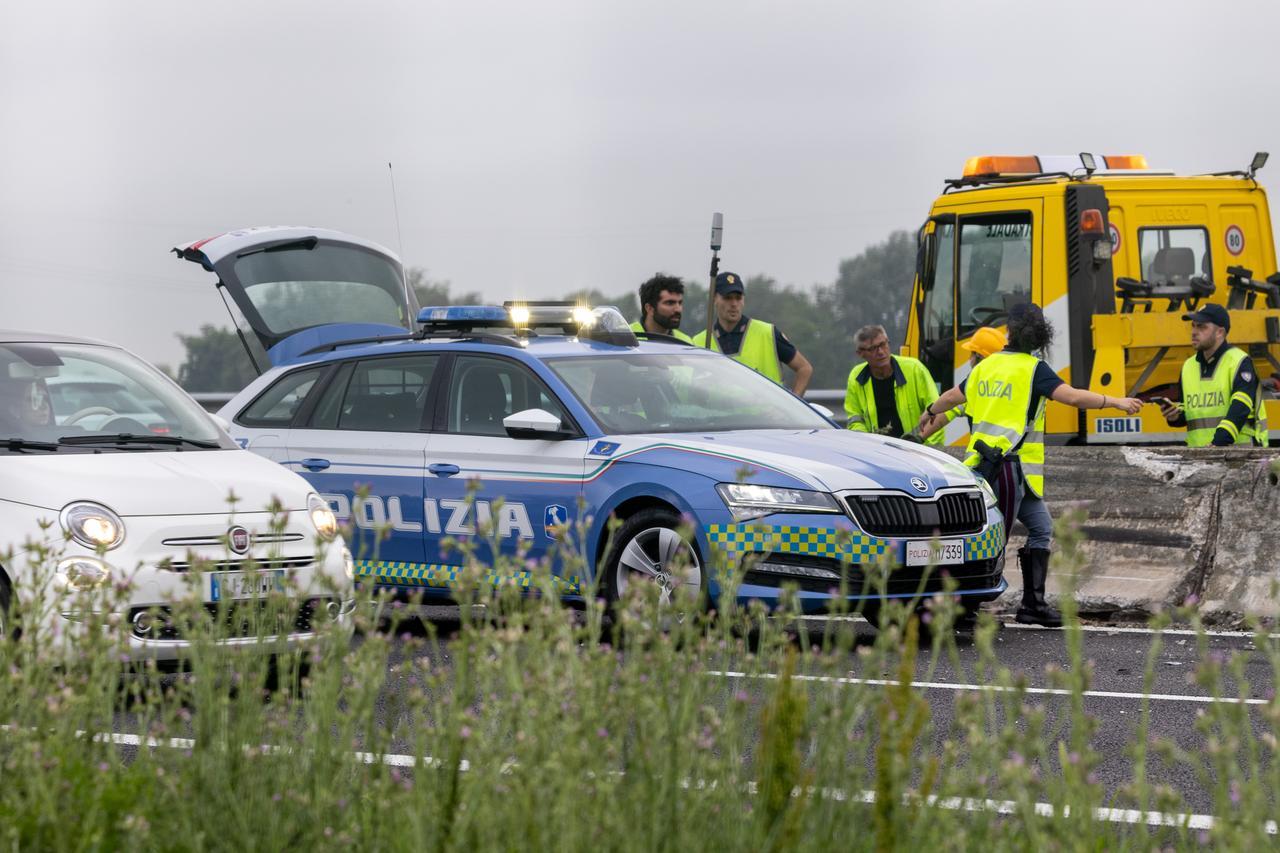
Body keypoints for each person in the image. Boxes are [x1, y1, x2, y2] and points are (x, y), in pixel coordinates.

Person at [918, 304, 1142, 627]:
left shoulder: (987, 366)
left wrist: (930, 410)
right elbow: (1074, 398)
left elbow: (954, 396)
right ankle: (964, 610)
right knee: (993, 540)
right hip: (1006, 471)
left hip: (991, 469)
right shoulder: (1033, 369)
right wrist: (1116, 402)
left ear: (1008, 331)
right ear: (1039, 335)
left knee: (1040, 528)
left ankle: (1032, 604)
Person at [1158, 303, 1267, 446]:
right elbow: (1190, 413)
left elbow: (1240, 408)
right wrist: (1175, 416)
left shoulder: (1239, 362)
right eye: (1193, 326)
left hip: (1239, 456)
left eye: (1202, 327)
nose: (1194, 332)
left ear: (1220, 332)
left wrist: (1218, 443)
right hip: (1200, 458)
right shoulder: (1188, 366)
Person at [692, 271, 813, 394]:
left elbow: (804, 368)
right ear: (714, 299)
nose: (734, 304)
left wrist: (791, 407)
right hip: (717, 413)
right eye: (727, 298)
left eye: (738, 298)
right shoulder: (698, 342)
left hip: (764, 414)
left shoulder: (767, 333)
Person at [843, 324, 942, 445]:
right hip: (879, 453)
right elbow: (855, 420)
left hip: (919, 450)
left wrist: (926, 448)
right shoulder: (856, 377)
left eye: (883, 344)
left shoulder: (914, 369)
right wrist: (868, 445)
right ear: (860, 353)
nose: (881, 352)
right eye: (873, 348)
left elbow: (937, 411)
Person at [630, 273, 693, 343]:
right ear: (649, 308)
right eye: (670, 303)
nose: (678, 309)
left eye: (680, 303)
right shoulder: (625, 336)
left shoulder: (685, 342)